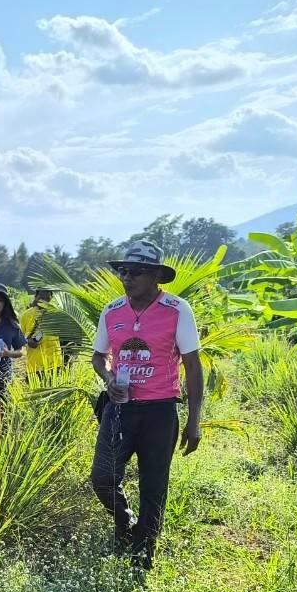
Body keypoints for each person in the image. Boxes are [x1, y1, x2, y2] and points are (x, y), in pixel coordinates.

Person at [89, 240, 203, 570]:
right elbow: (98, 357)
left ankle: (143, 554)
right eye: (123, 271)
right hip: (119, 409)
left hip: (159, 411)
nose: (127, 277)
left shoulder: (176, 309)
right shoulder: (112, 312)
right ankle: (125, 522)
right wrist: (108, 377)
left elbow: (194, 366)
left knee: (154, 485)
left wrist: (195, 421)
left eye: (136, 271)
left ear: (155, 275)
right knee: (102, 477)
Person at [19, 288, 62, 380]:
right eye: (41, 297)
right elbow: (20, 339)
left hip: (55, 365)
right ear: (36, 297)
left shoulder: (57, 314)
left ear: (51, 297)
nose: (44, 299)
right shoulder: (26, 315)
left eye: (47, 297)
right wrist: (28, 342)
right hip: (34, 366)